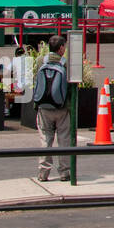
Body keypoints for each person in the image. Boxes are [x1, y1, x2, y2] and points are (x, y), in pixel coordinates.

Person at [32, 34, 70, 183]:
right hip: (62, 106)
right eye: (64, 46)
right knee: (64, 138)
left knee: (45, 138)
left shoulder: (41, 61)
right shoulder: (66, 63)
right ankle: (64, 172)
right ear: (61, 48)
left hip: (43, 106)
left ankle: (43, 172)